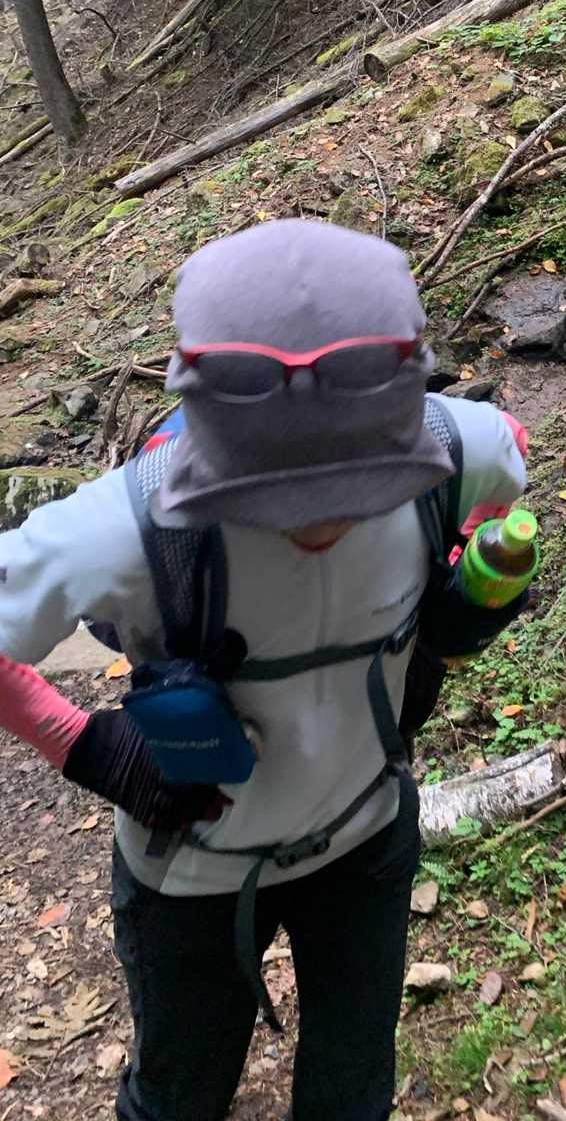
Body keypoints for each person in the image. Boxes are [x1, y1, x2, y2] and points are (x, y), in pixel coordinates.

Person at [0, 219, 529, 1121]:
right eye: (274, 498)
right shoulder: (131, 526)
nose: (318, 523)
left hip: (367, 840)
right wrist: (81, 744)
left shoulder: (457, 451)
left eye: (357, 489)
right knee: (178, 1100)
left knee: (352, 1093)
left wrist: (461, 595)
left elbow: (508, 473)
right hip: (191, 878)